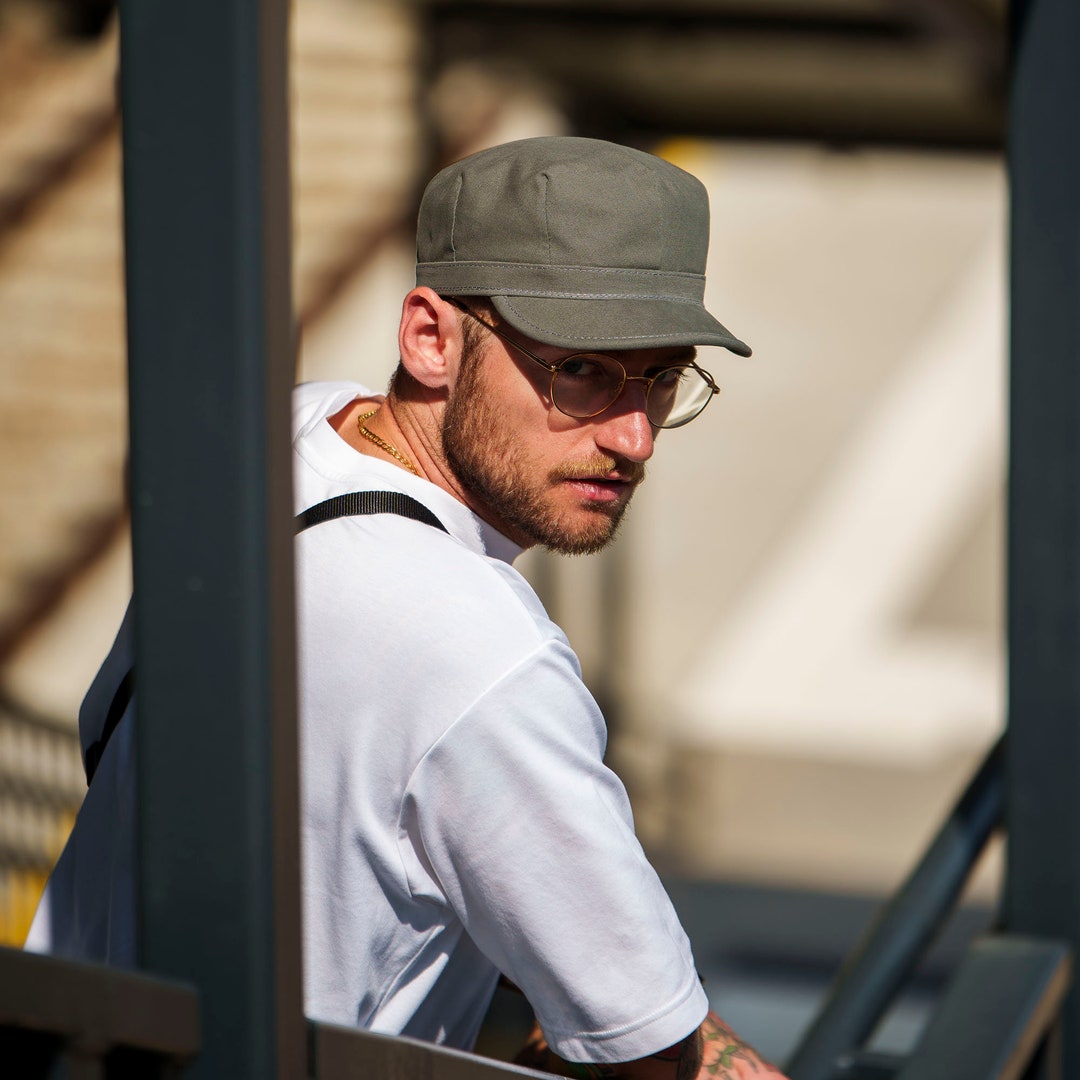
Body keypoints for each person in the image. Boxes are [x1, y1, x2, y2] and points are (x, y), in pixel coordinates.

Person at [27, 136, 785, 1080]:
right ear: (430, 336)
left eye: (663, 378)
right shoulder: (481, 654)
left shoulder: (279, 440)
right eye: (582, 371)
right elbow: (644, 1040)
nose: (634, 436)